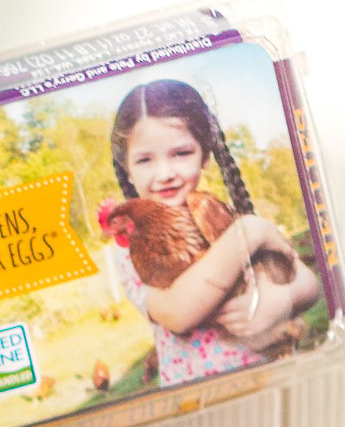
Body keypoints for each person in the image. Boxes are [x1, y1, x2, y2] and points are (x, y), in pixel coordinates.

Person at [108, 79, 319, 386]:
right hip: (197, 398)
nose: (165, 173)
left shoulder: (218, 211)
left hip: (270, 376)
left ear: (205, 155)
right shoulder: (133, 237)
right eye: (145, 159)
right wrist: (248, 233)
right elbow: (177, 313)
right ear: (125, 166)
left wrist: (282, 300)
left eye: (181, 153)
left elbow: (309, 284)